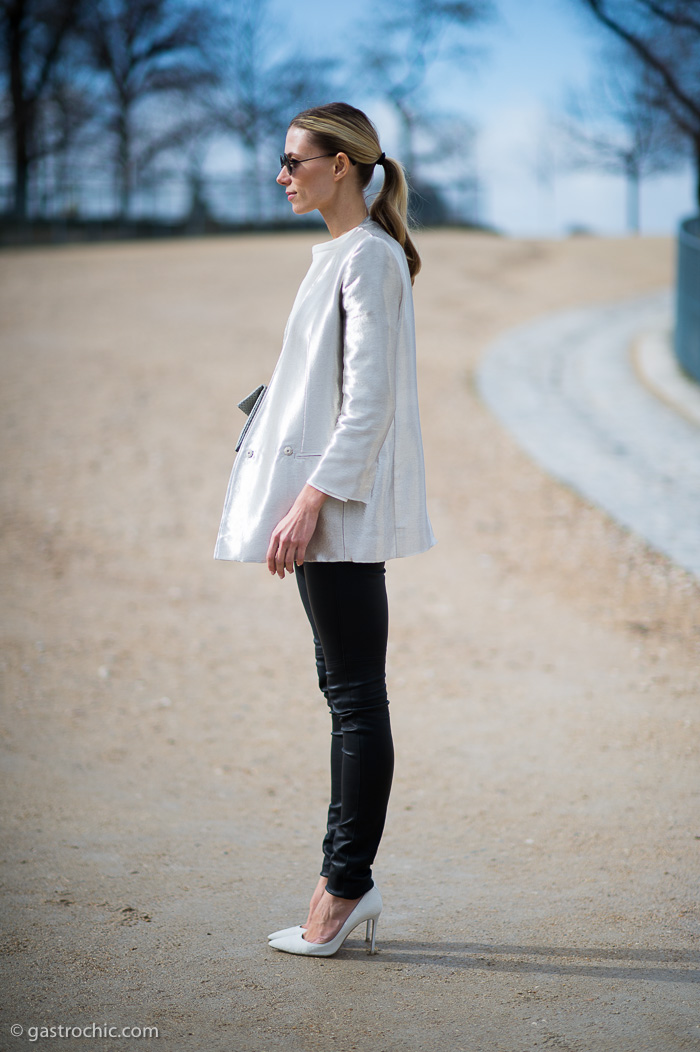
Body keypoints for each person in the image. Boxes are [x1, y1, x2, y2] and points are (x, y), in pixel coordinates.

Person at [214, 102, 435, 957]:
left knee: (354, 698)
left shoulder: (370, 259)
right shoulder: (347, 256)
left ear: (340, 165)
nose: (283, 174)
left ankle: (344, 886)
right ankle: (343, 881)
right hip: (328, 508)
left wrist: (309, 499)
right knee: (345, 694)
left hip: (338, 514)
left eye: (293, 160)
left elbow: (370, 403)